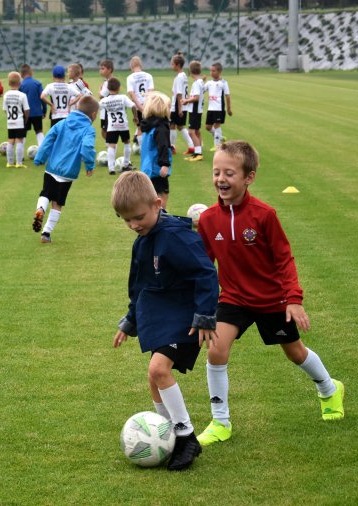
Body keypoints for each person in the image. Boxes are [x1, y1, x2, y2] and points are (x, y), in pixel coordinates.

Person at [194, 141, 345, 447]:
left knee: (295, 352)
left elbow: (283, 257)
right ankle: (220, 421)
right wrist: (197, 304)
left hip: (271, 300)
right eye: (216, 172)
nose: (221, 179)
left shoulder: (264, 215)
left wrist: (293, 298)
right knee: (216, 349)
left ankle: (329, 389)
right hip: (233, 297)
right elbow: (204, 266)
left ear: (248, 177)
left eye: (229, 173)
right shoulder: (209, 219)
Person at [111, 171, 218, 471]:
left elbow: (206, 273)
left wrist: (206, 315)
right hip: (158, 317)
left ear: (158, 203)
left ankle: (185, 437)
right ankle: (170, 432)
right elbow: (139, 287)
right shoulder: (142, 241)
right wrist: (130, 321)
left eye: (138, 217)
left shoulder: (175, 235)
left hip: (186, 317)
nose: (133, 225)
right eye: (125, 220)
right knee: (154, 377)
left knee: (159, 369)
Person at [31, 96, 98, 244]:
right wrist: (89, 165)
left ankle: (41, 209)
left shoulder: (62, 123)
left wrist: (40, 158)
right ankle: (46, 234)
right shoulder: (89, 130)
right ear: (93, 115)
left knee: (46, 193)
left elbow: (48, 139)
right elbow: (87, 148)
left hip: (52, 167)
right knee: (57, 203)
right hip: (67, 173)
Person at [138, 92, 172, 210]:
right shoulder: (161, 126)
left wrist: (170, 146)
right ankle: (160, 217)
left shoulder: (149, 124)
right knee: (162, 194)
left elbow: (156, 143)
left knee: (152, 194)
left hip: (147, 166)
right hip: (157, 167)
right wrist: (165, 164)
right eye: (169, 107)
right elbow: (162, 145)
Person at [99, 77, 137, 175]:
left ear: (107, 88)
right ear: (119, 88)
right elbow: (133, 106)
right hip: (123, 125)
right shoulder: (123, 97)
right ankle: (125, 165)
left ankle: (111, 168)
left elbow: (97, 106)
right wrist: (135, 117)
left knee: (111, 145)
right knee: (127, 142)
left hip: (112, 127)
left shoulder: (105, 100)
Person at [2, 71, 30, 168]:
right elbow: (27, 110)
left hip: (10, 121)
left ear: (9, 83)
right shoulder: (22, 95)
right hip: (19, 121)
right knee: (19, 141)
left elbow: (5, 109)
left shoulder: (6, 95)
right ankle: (19, 162)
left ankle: (10, 162)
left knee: (10, 141)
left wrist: (9, 117)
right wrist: (25, 118)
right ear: (20, 83)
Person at [126, 56, 154, 149]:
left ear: (131, 66)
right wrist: (147, 104)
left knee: (140, 128)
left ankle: (143, 148)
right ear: (140, 65)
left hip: (138, 106)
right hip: (148, 105)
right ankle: (147, 147)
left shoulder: (130, 77)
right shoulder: (148, 75)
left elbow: (132, 94)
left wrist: (139, 106)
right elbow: (150, 91)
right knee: (149, 126)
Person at [204, 63, 232, 152]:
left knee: (216, 125)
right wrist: (201, 81)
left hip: (219, 108)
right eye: (210, 70)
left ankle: (217, 146)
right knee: (208, 127)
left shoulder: (223, 83)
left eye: (213, 71)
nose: (211, 72)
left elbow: (227, 96)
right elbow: (201, 90)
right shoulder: (209, 83)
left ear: (219, 71)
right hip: (210, 109)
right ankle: (220, 137)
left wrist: (228, 109)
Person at [169, 53, 193, 156]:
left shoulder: (179, 77)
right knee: (180, 126)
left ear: (177, 65)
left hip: (178, 104)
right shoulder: (184, 76)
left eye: (172, 64)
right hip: (183, 104)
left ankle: (172, 146)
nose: (171, 66)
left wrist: (179, 109)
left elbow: (179, 93)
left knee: (172, 125)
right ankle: (191, 146)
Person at [182, 61, 205, 162]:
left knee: (191, 132)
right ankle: (198, 152)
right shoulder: (200, 82)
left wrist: (186, 100)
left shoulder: (196, 83)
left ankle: (198, 154)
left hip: (194, 110)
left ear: (190, 72)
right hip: (198, 110)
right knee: (197, 131)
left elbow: (196, 98)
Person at [19, 64, 47, 146]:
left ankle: (20, 157)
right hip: (37, 112)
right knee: (39, 132)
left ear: (21, 74)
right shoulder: (37, 83)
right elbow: (43, 98)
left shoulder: (21, 85)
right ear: (31, 73)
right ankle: (42, 153)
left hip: (25, 113)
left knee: (23, 133)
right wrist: (44, 110)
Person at [97, 59, 115, 140]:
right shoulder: (107, 81)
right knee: (104, 130)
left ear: (109, 69)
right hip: (105, 110)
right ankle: (111, 146)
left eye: (103, 68)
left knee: (105, 130)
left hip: (107, 110)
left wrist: (99, 90)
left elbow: (101, 95)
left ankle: (111, 147)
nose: (100, 70)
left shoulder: (109, 82)